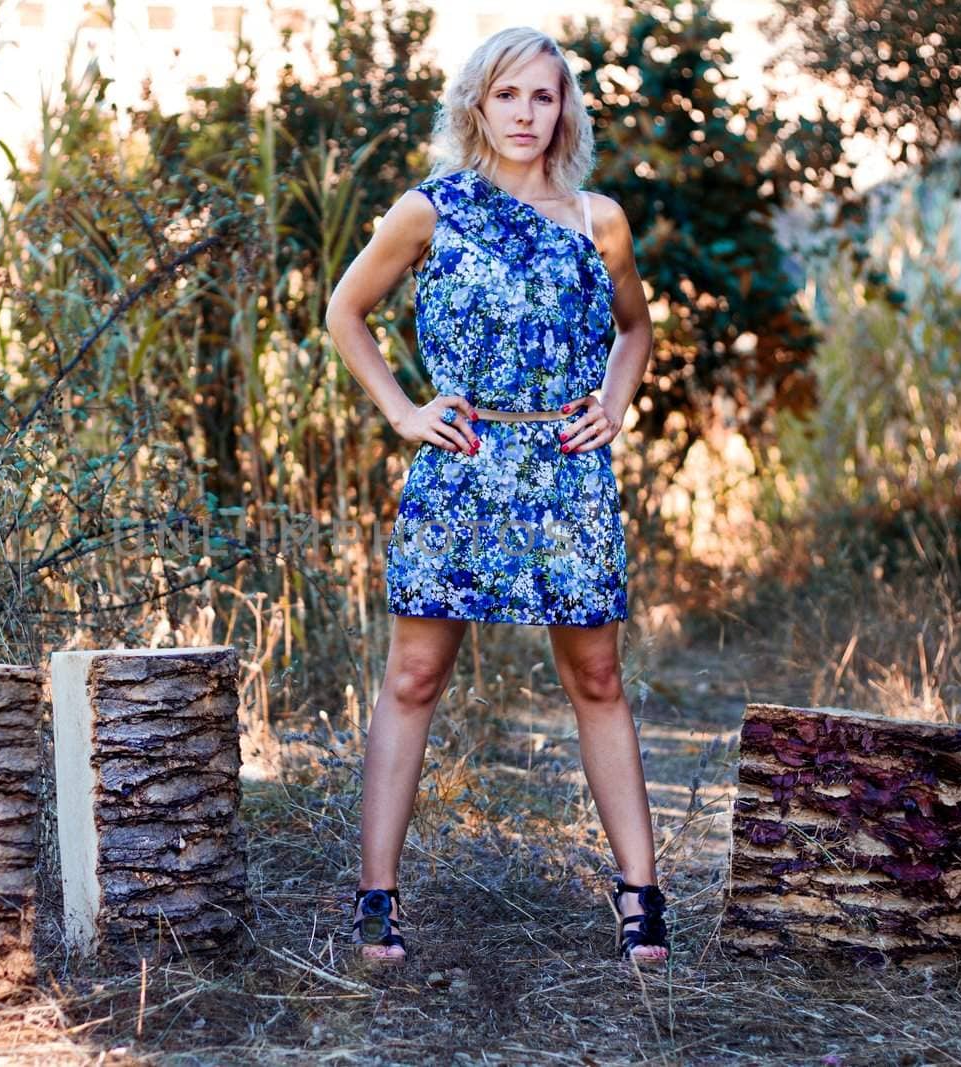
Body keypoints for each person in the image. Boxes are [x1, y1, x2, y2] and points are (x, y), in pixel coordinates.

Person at [323, 26, 667, 964]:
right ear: (477, 103)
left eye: (543, 97)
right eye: (508, 95)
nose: (526, 113)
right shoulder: (430, 209)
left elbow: (634, 331)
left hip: (566, 472)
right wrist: (402, 410)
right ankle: (378, 898)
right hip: (463, 467)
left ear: (565, 110)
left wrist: (613, 403)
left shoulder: (599, 219)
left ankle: (641, 895)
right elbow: (343, 311)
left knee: (597, 678)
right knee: (413, 677)